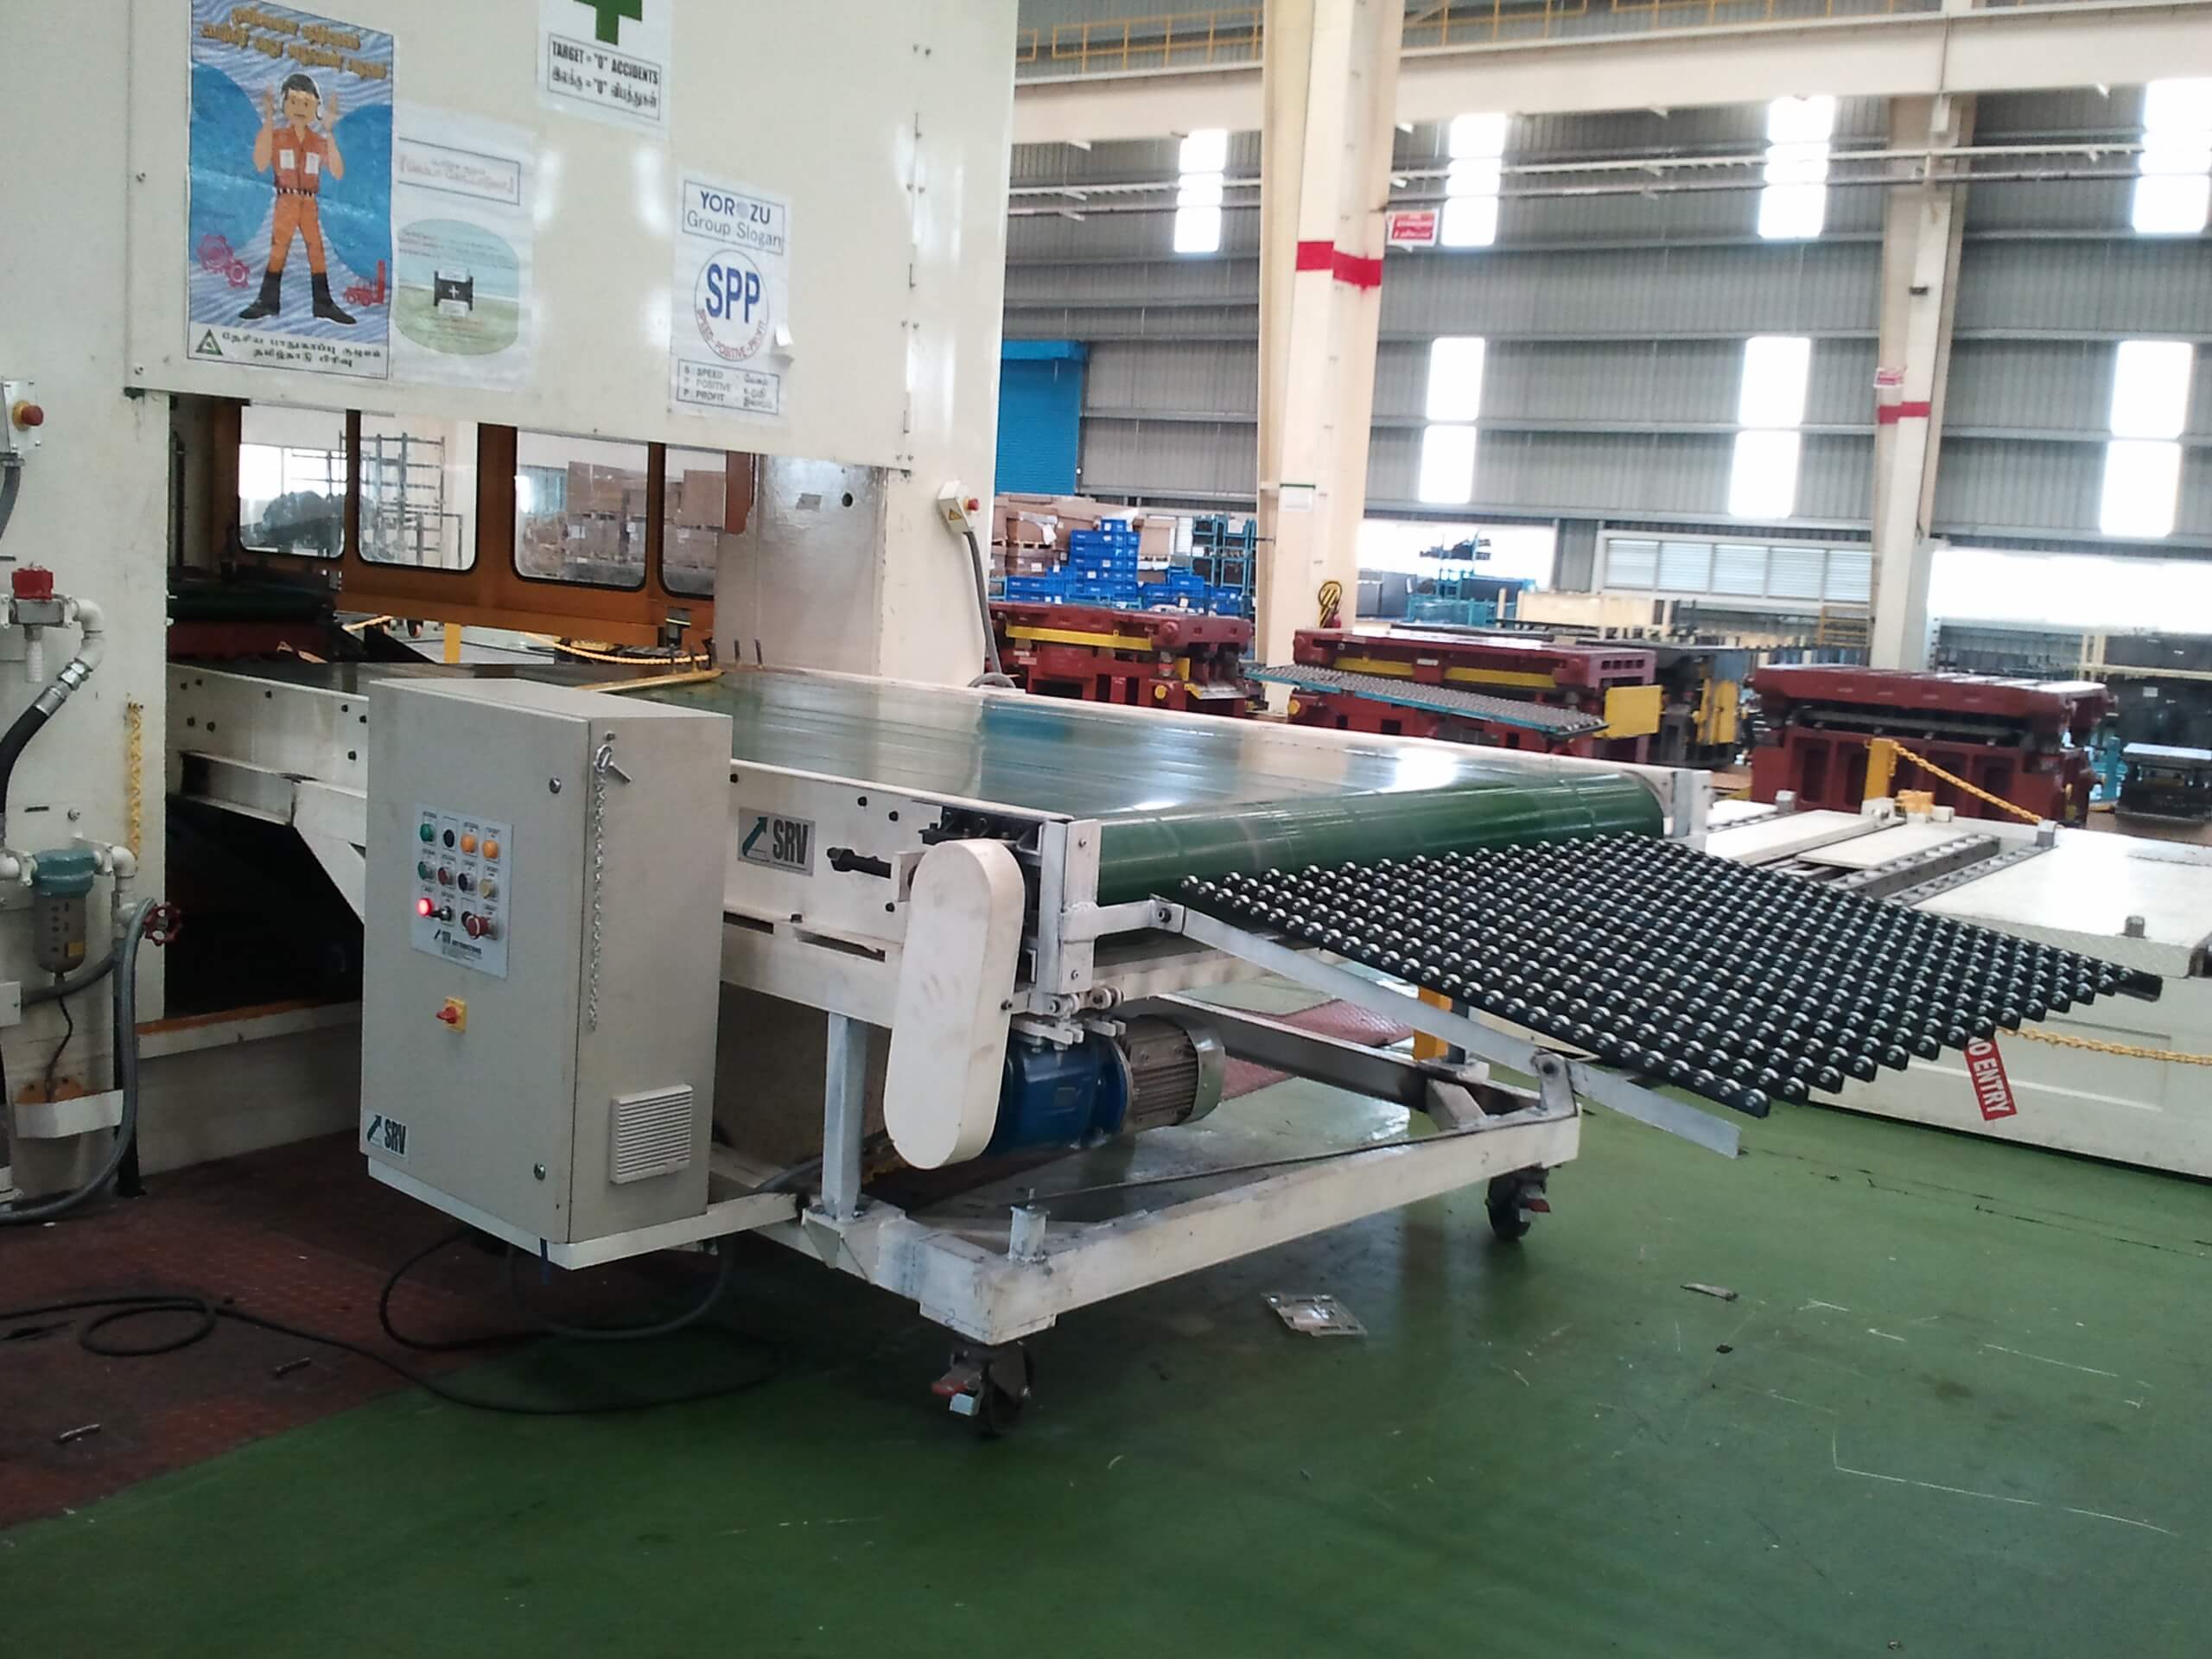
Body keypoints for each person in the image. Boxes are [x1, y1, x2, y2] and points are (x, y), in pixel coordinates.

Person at [238, 73, 354, 326]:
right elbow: (260, 163)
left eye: (307, 103)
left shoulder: (318, 141)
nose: (300, 108)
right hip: (287, 199)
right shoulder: (278, 137)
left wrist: (330, 131)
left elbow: (337, 171)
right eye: (293, 102)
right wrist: (269, 120)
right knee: (279, 248)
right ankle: (267, 301)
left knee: (316, 249)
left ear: (317, 107)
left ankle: (323, 303)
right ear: (283, 104)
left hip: (310, 202)